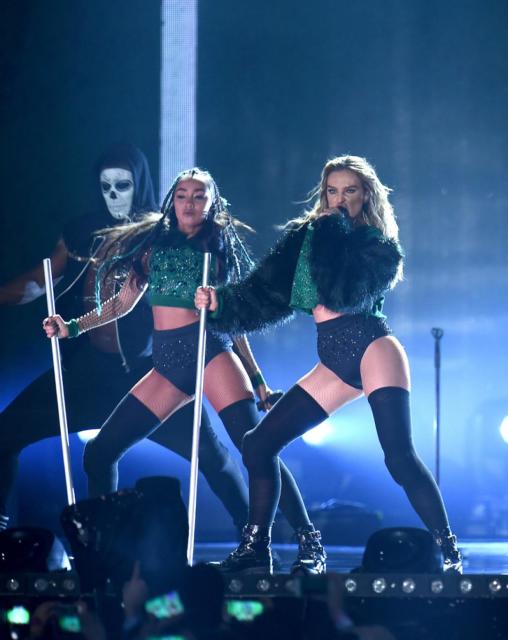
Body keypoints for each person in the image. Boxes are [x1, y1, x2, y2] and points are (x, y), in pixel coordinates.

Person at [39, 168, 321, 569]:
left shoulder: (215, 249)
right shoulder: (152, 249)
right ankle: (106, 548)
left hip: (208, 351)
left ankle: (307, 541)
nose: (189, 203)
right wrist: (71, 328)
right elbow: (121, 304)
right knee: (100, 452)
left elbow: (235, 320)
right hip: (168, 362)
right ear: (172, 200)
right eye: (183, 195)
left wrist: (257, 380)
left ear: (211, 204)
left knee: (256, 449)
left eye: (199, 196)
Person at [195, 155, 463, 574]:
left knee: (399, 457)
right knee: (258, 444)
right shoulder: (307, 239)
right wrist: (221, 303)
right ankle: (263, 548)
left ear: (365, 196)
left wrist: (330, 231)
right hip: (333, 358)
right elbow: (265, 293)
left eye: (349, 191)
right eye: (332, 191)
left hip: (374, 348)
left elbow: (342, 293)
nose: (339, 200)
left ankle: (448, 551)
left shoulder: (378, 246)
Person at [0, 145, 247, 532]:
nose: (114, 194)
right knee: (11, 433)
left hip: (148, 372)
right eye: (106, 186)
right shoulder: (81, 231)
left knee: (212, 456)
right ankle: (95, 543)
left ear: (139, 185)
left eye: (123, 185)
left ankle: (255, 534)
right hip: (86, 373)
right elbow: (38, 284)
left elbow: (210, 296)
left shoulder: (161, 230)